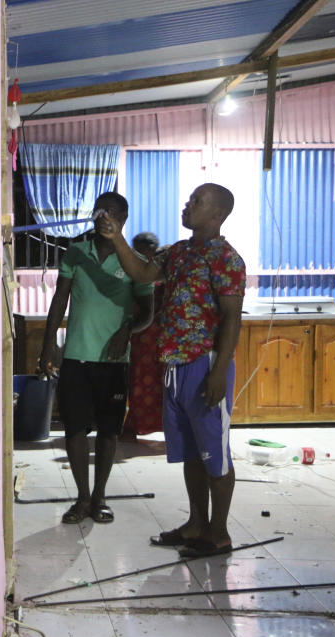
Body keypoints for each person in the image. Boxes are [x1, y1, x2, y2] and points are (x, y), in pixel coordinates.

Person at [98, 183, 245, 557]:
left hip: (205, 364)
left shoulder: (226, 259)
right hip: (174, 366)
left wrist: (218, 372)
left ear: (216, 214)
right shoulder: (179, 252)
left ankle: (219, 533)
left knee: (215, 453)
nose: (187, 204)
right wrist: (117, 239)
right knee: (191, 452)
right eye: (190, 198)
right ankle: (196, 523)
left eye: (197, 201)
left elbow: (231, 320)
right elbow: (143, 275)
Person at [38, 192, 154, 525]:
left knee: (108, 432)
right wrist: (49, 343)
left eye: (113, 213)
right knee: (74, 430)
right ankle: (82, 499)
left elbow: (147, 312)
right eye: (100, 211)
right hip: (75, 355)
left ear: (124, 218)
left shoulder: (133, 262)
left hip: (113, 361)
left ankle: (100, 497)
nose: (105, 217)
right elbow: (61, 297)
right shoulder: (76, 251)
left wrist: (128, 329)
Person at [120, 232, 166, 442]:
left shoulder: (161, 269)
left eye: (142, 250)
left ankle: (167, 427)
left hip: (163, 338)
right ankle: (134, 425)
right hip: (141, 336)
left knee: (163, 384)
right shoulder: (133, 270)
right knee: (138, 380)